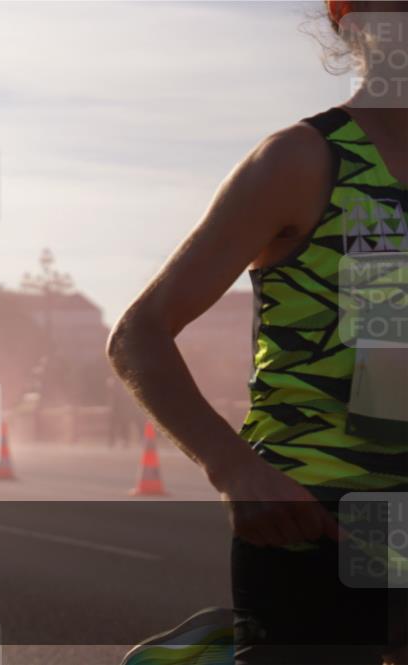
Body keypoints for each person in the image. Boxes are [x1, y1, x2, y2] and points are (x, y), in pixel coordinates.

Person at [107, 3, 407, 663]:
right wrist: (235, 467)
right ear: (350, 21)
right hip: (314, 515)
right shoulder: (300, 161)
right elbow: (139, 334)